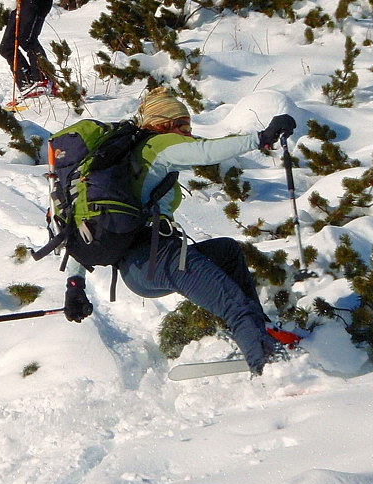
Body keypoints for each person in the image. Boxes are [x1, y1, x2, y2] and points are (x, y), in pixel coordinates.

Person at [62, 87, 298, 376]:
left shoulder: (129, 157)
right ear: (164, 124)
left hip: (141, 269)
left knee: (227, 252)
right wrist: (261, 138)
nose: (188, 133)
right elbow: (206, 151)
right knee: (233, 304)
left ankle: (259, 333)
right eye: (183, 126)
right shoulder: (158, 144)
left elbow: (83, 225)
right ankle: (271, 369)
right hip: (158, 258)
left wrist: (75, 284)